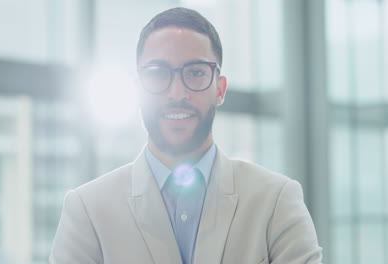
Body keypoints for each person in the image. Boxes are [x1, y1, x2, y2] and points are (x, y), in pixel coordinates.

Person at [49, 7, 322, 264]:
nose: (177, 93)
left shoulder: (276, 201)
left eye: (195, 73)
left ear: (220, 88)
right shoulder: (87, 211)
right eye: (158, 74)